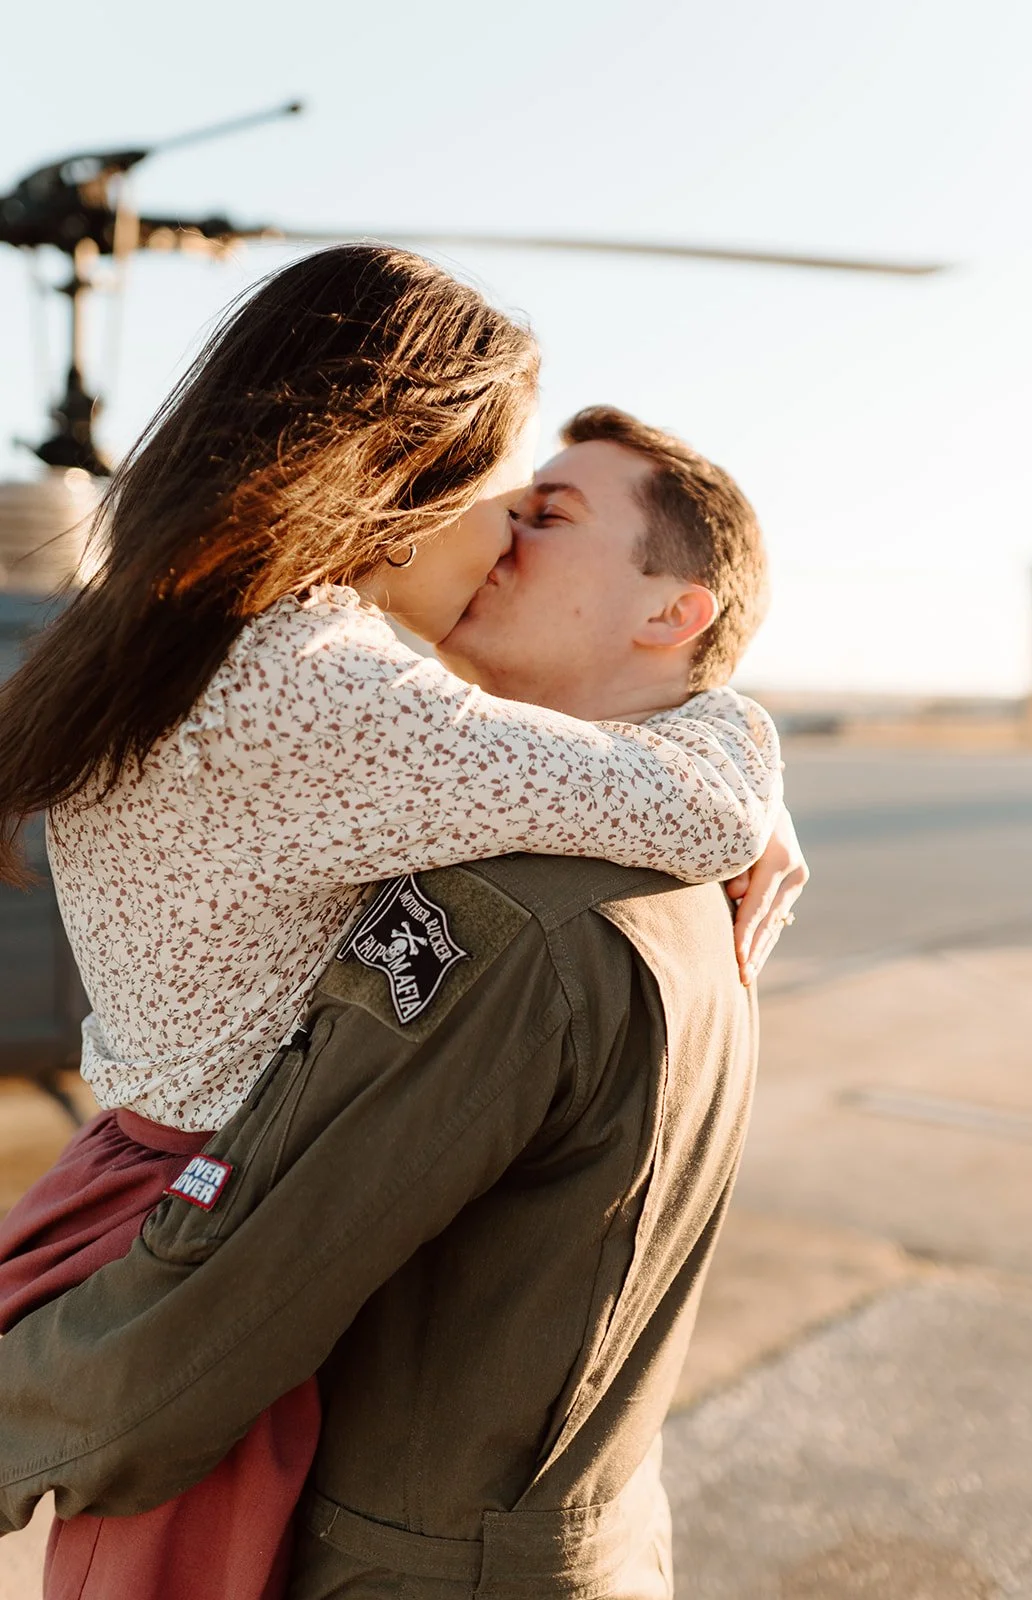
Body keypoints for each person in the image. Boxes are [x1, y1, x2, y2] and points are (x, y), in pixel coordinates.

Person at [0, 241, 792, 1599]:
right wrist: (742, 750)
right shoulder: (327, 690)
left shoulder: (202, 631)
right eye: (506, 497)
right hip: (202, 1245)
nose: (501, 543)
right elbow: (689, 812)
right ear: (394, 487)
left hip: (141, 1193)